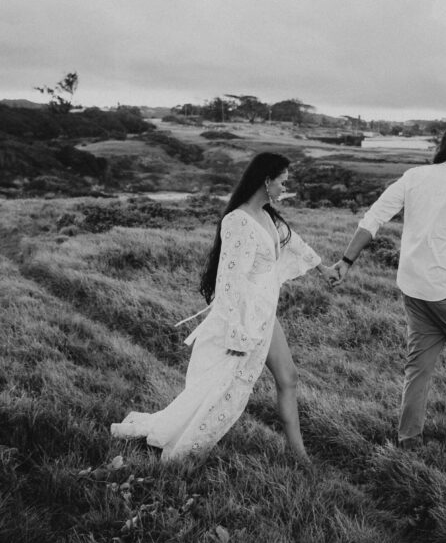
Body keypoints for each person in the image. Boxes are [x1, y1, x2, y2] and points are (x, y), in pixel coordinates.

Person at [111, 152, 335, 463]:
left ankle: (299, 456)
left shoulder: (268, 216)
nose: (286, 188)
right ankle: (183, 452)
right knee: (218, 391)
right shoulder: (238, 221)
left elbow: (292, 241)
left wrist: (324, 268)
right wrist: (237, 333)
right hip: (241, 323)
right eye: (283, 182)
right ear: (267, 181)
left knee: (289, 378)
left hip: (265, 317)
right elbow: (231, 282)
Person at [331, 125, 446, 451]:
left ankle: (409, 440)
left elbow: (374, 217)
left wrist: (346, 260)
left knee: (418, 369)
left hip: (414, 291)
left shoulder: (414, 176)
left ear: (444, 149)